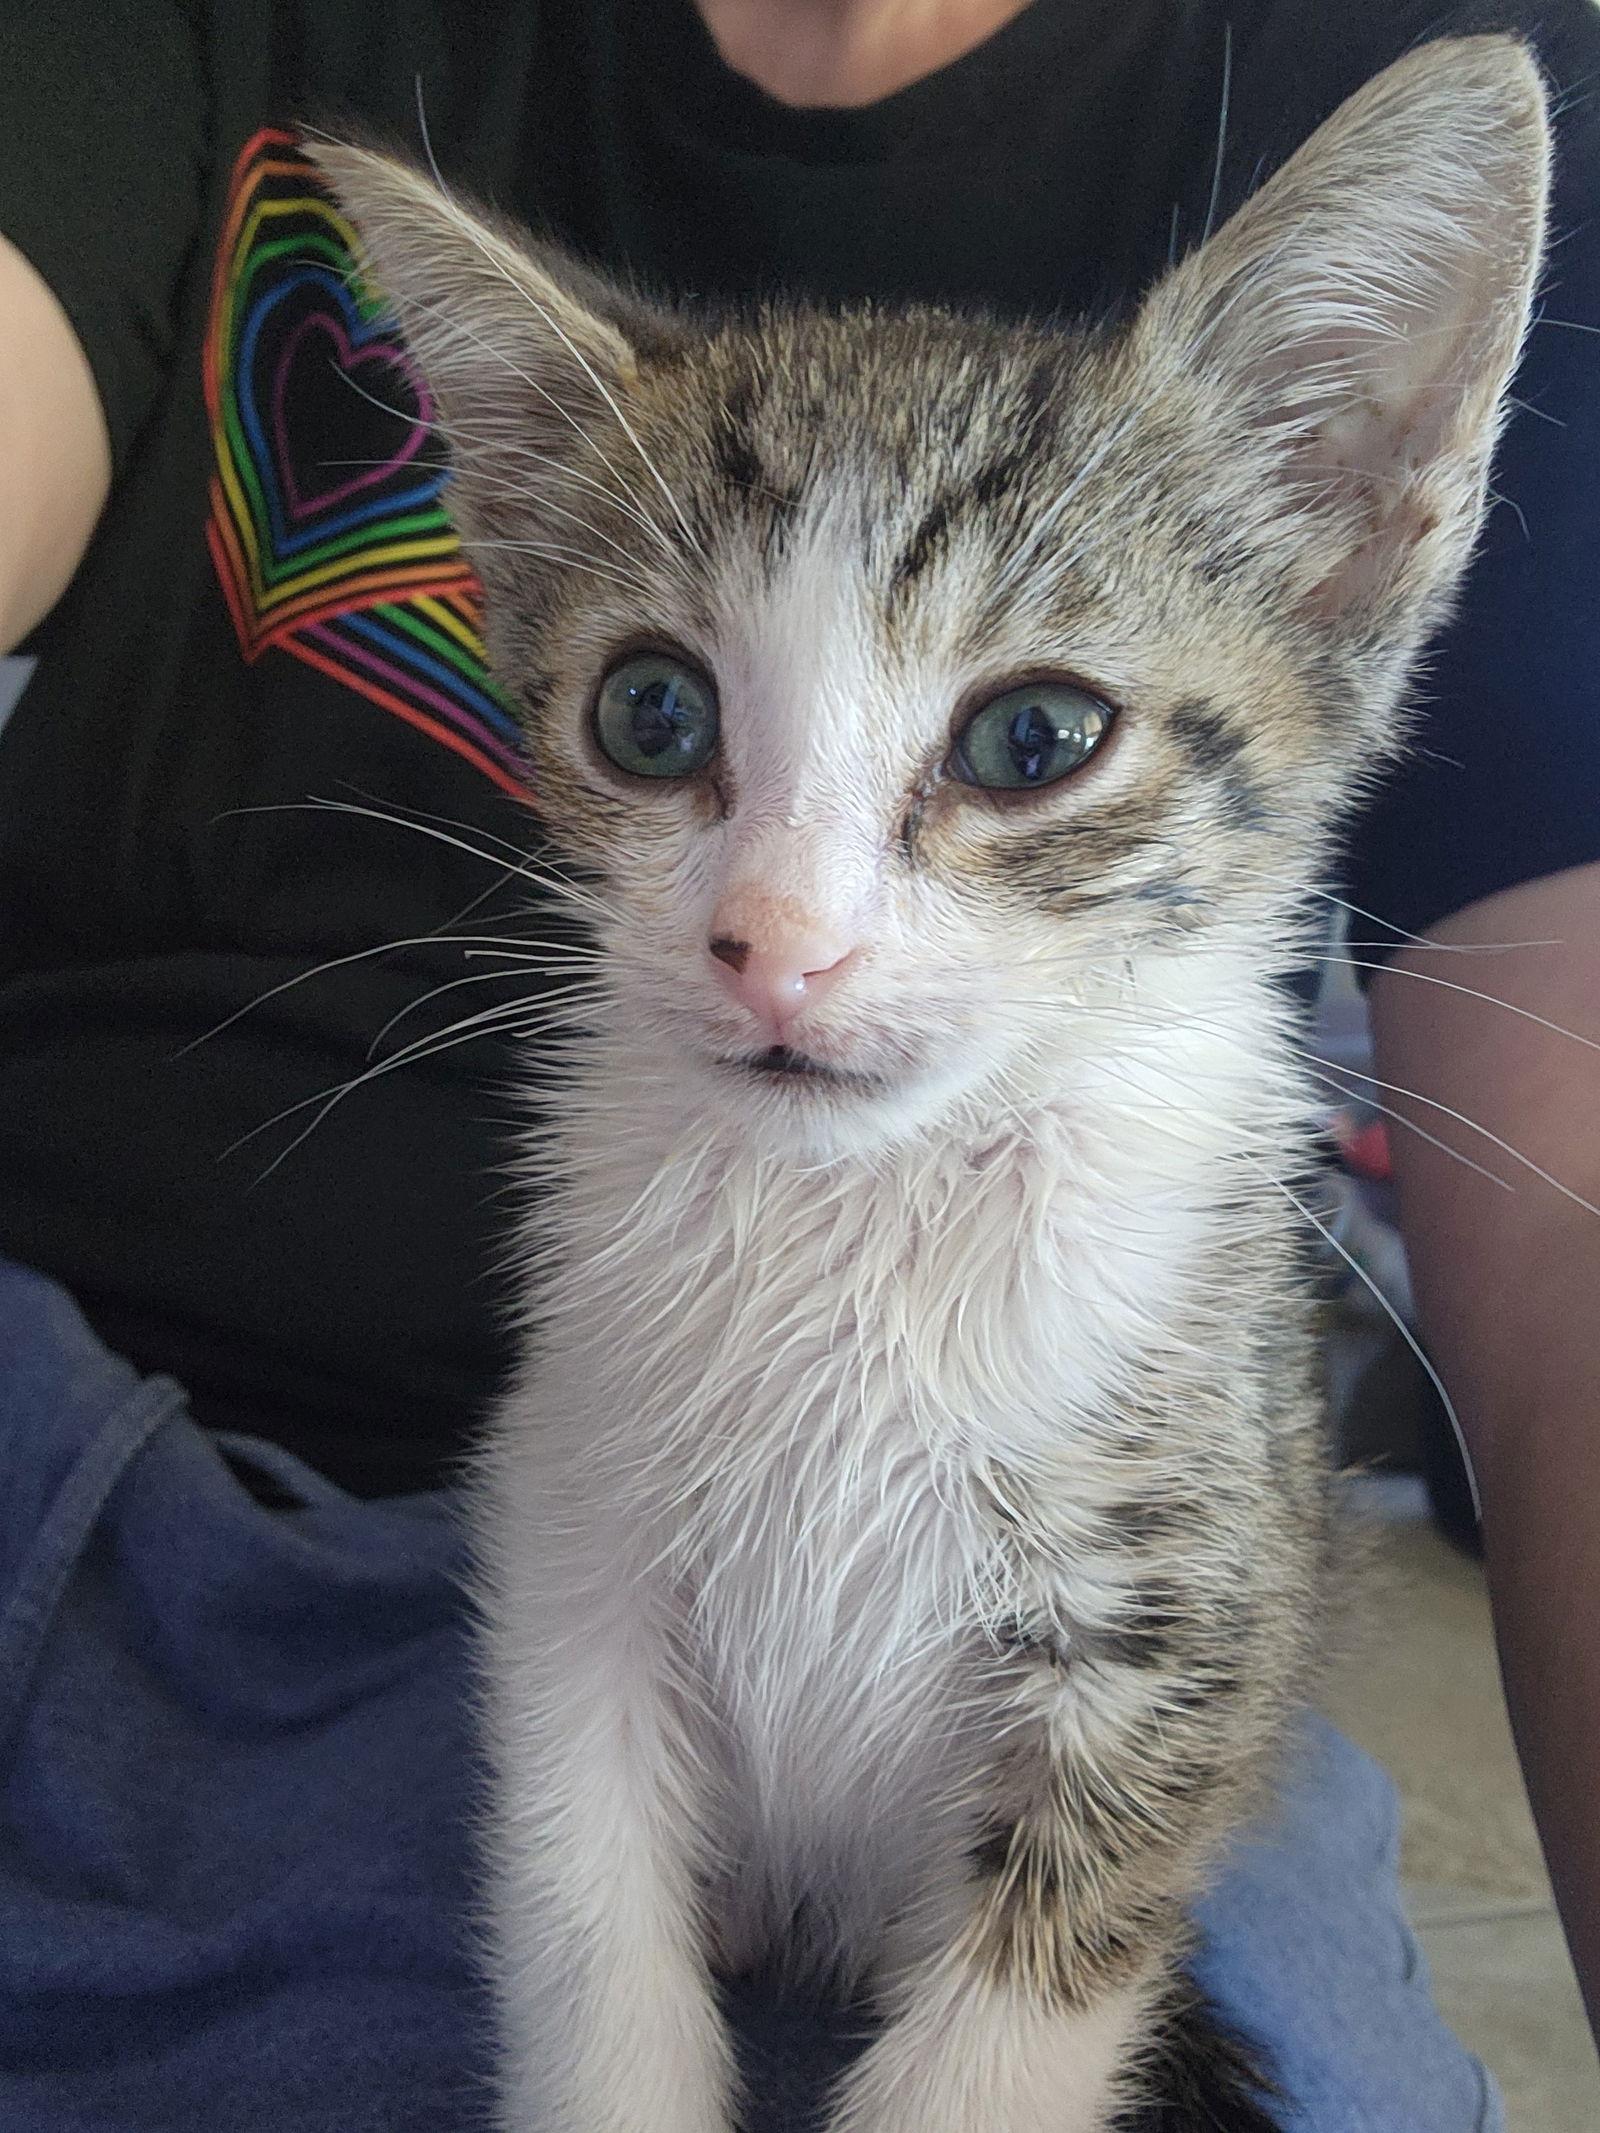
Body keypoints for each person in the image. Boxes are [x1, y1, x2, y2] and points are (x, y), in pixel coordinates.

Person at [0, 2, 1595, 2127]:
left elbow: (1167, 1683)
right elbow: (588, 1561)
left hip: (962, 1849)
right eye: (656, 721)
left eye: (1027, 741)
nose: (774, 929)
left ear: (1343, 526)